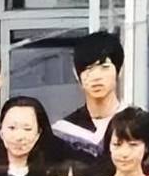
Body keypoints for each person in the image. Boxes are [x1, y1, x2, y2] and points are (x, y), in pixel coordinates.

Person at [53, 31, 129, 162]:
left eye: (104, 67)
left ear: (119, 70)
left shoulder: (139, 125)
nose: (96, 77)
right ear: (76, 74)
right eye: (88, 69)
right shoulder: (62, 133)